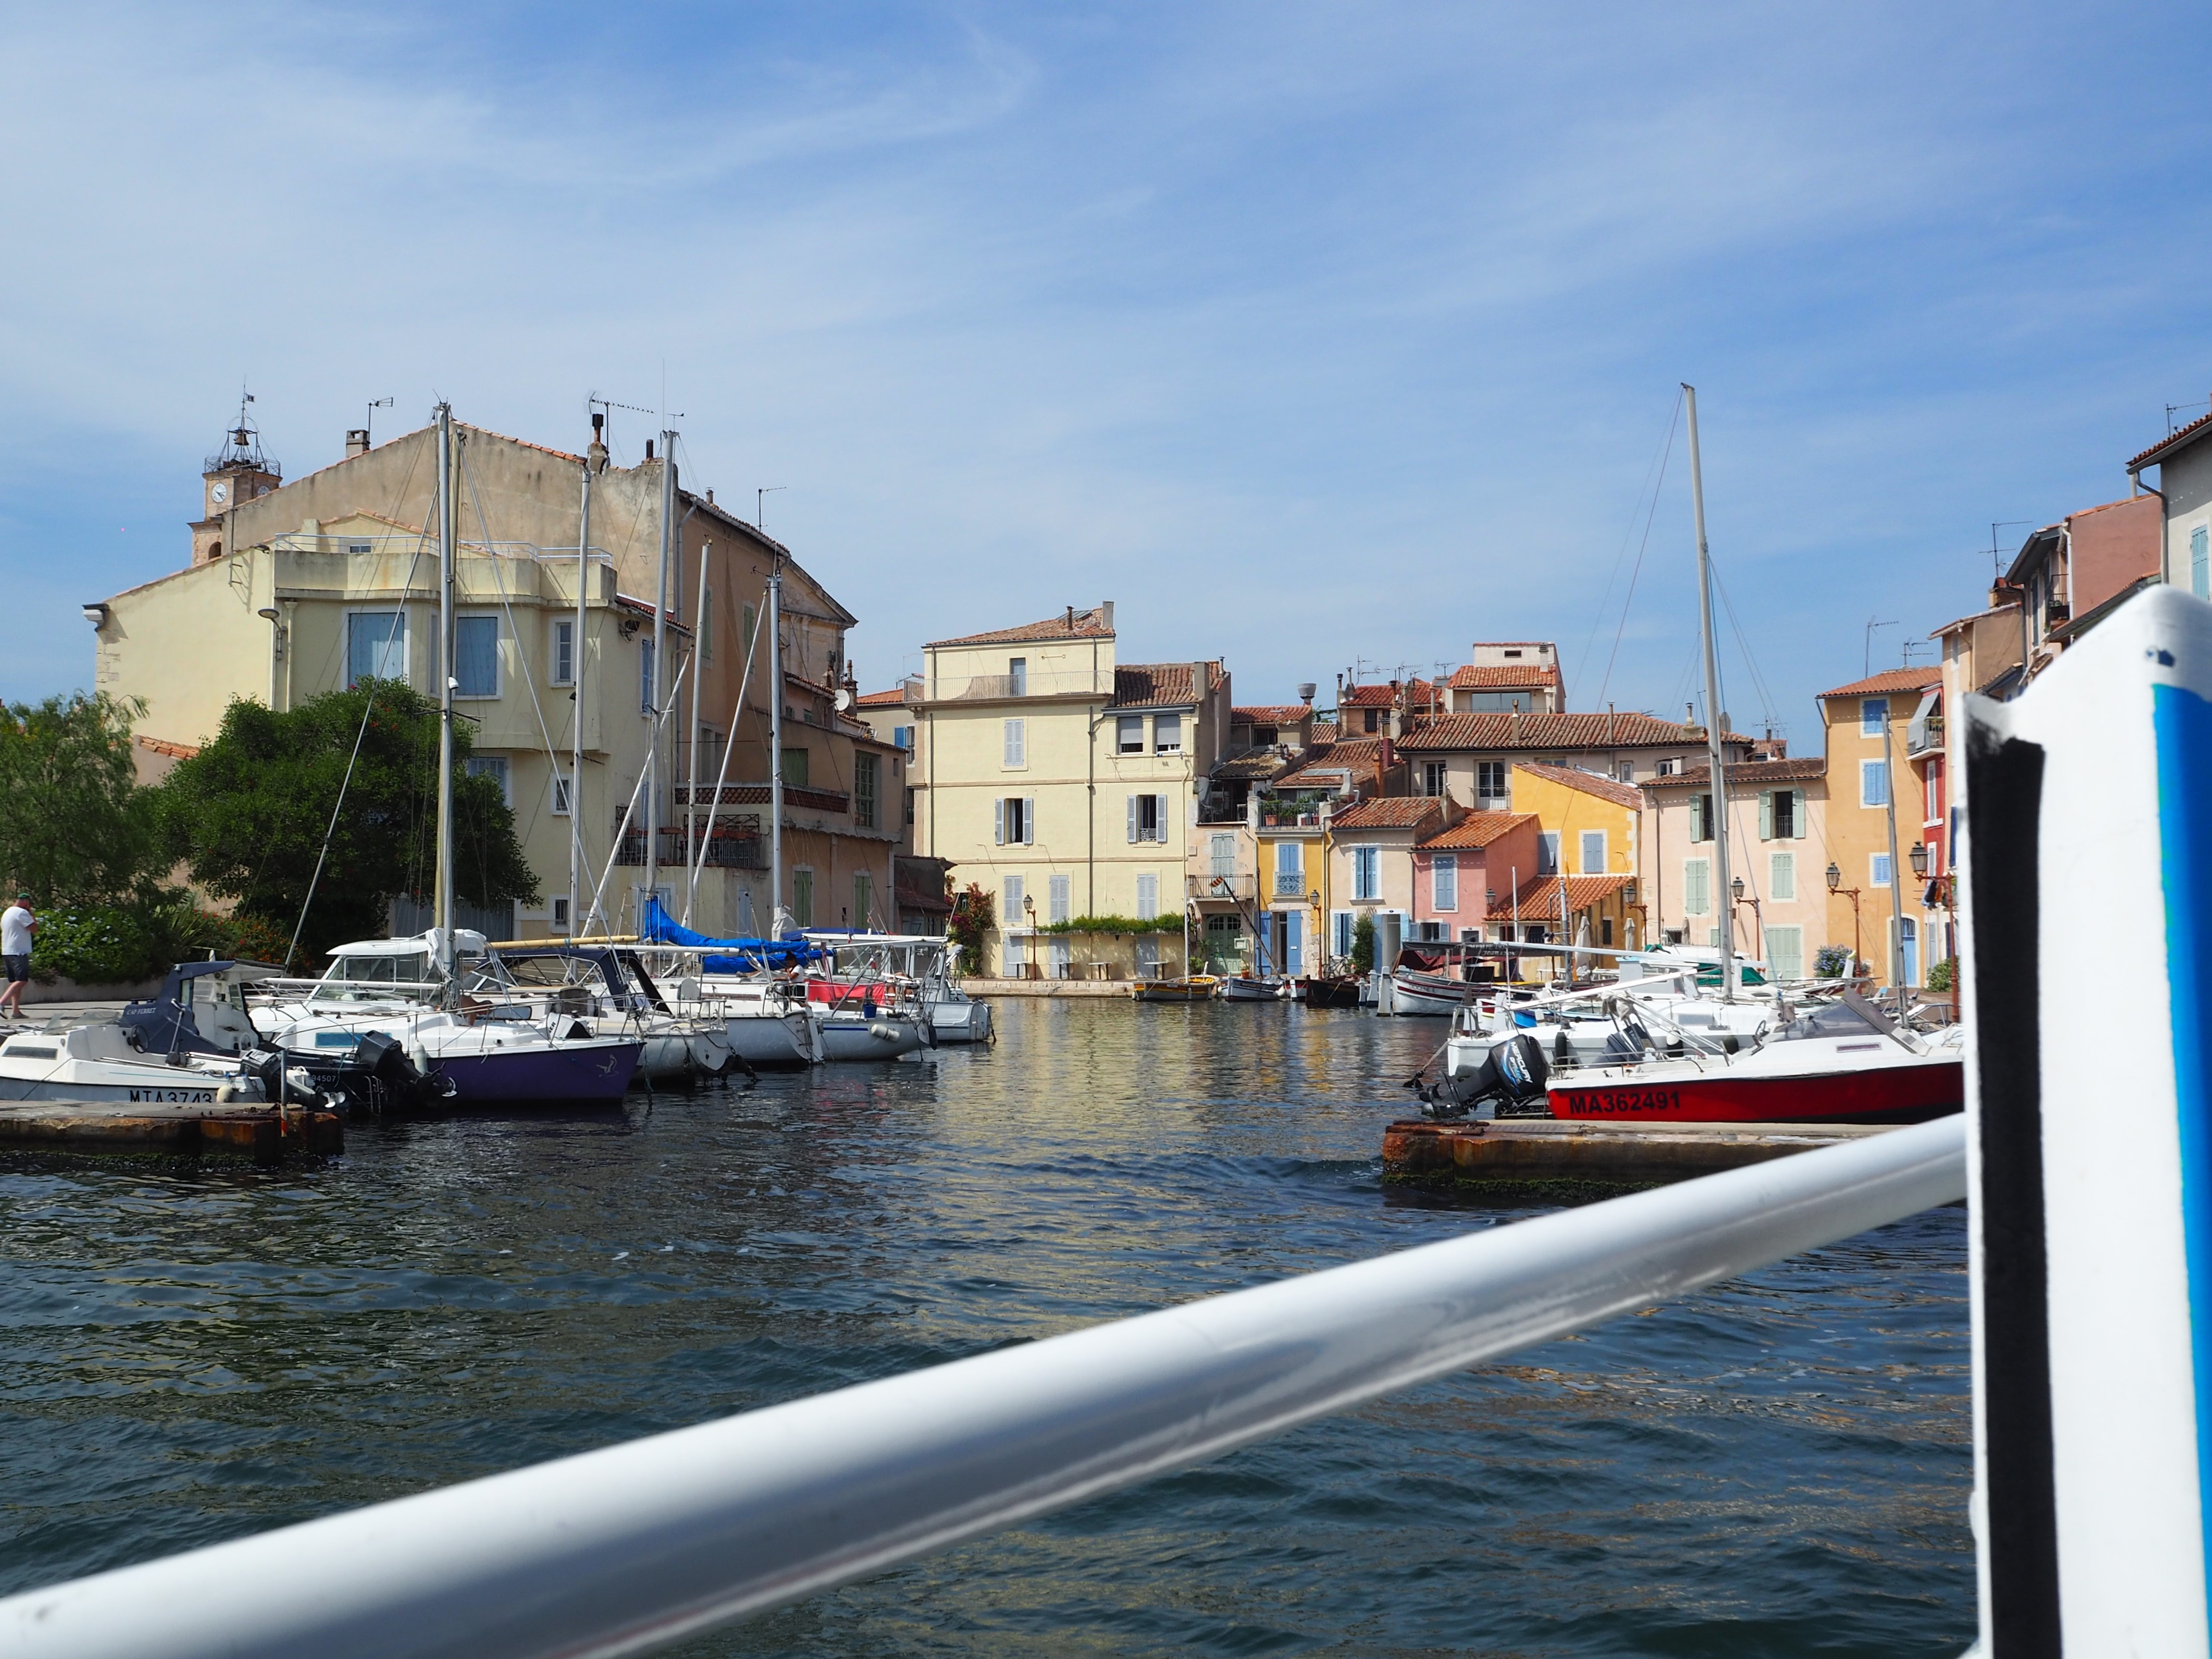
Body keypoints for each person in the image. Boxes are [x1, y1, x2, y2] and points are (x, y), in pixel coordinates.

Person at [0, 893, 32, 1020]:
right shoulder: (22, 913)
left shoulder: (8, 912)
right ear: (25, 902)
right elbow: (34, 928)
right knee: (22, 980)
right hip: (19, 951)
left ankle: (16, 1011)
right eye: (29, 903)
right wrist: (31, 915)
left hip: (7, 950)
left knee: (15, 981)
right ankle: (1, 1003)